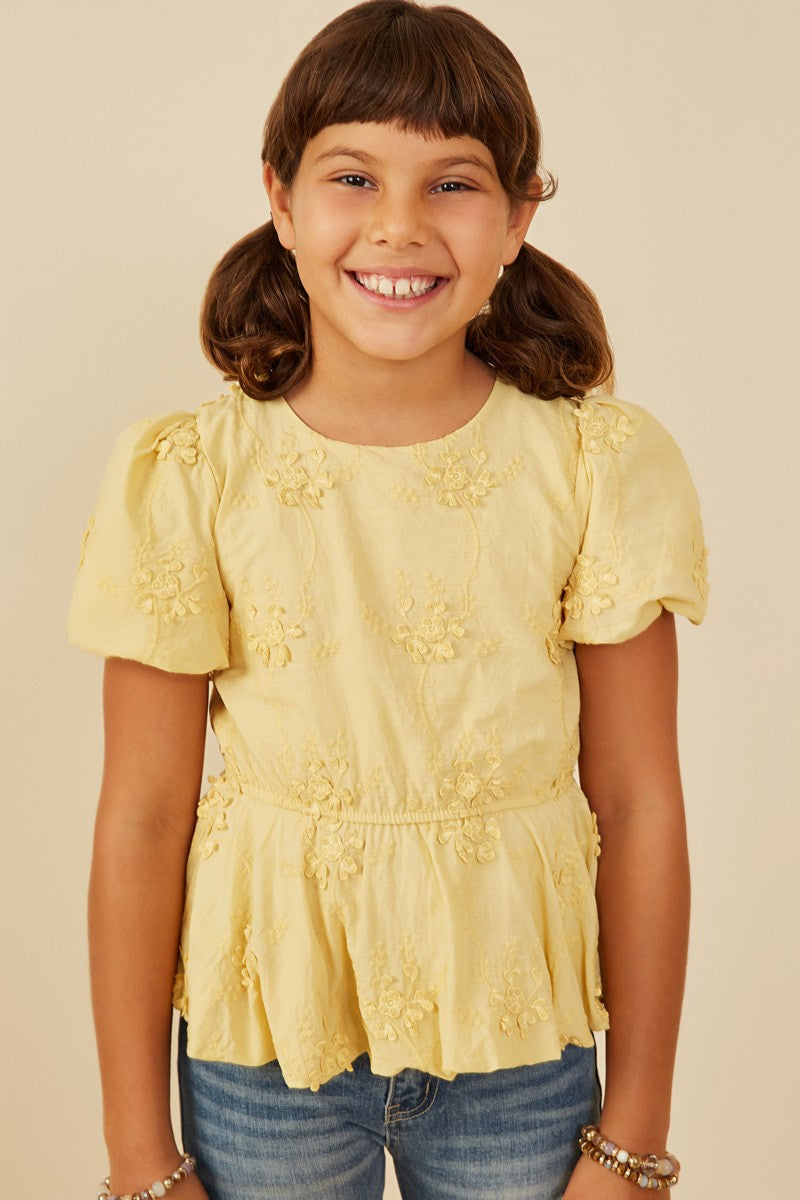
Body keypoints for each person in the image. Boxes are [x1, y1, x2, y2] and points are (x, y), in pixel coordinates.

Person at [67, 3, 709, 1198]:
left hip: (519, 1049)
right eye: (353, 177)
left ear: (517, 217)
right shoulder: (192, 474)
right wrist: (138, 1157)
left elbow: (637, 803)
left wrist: (631, 1140)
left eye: (452, 184)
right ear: (280, 199)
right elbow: (142, 818)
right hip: (263, 1050)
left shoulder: (593, 467)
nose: (398, 226)